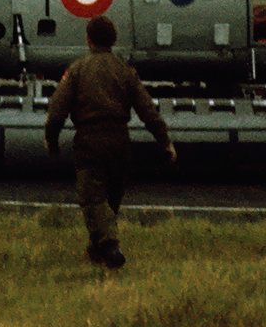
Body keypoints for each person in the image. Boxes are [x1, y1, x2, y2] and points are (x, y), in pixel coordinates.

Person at [44, 15, 175, 269]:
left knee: (93, 200)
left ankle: (110, 245)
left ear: (88, 39)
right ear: (114, 40)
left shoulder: (78, 70)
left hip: (89, 141)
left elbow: (57, 111)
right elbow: (147, 110)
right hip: (120, 143)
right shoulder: (125, 72)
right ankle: (97, 252)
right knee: (110, 203)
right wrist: (165, 141)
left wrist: (51, 139)